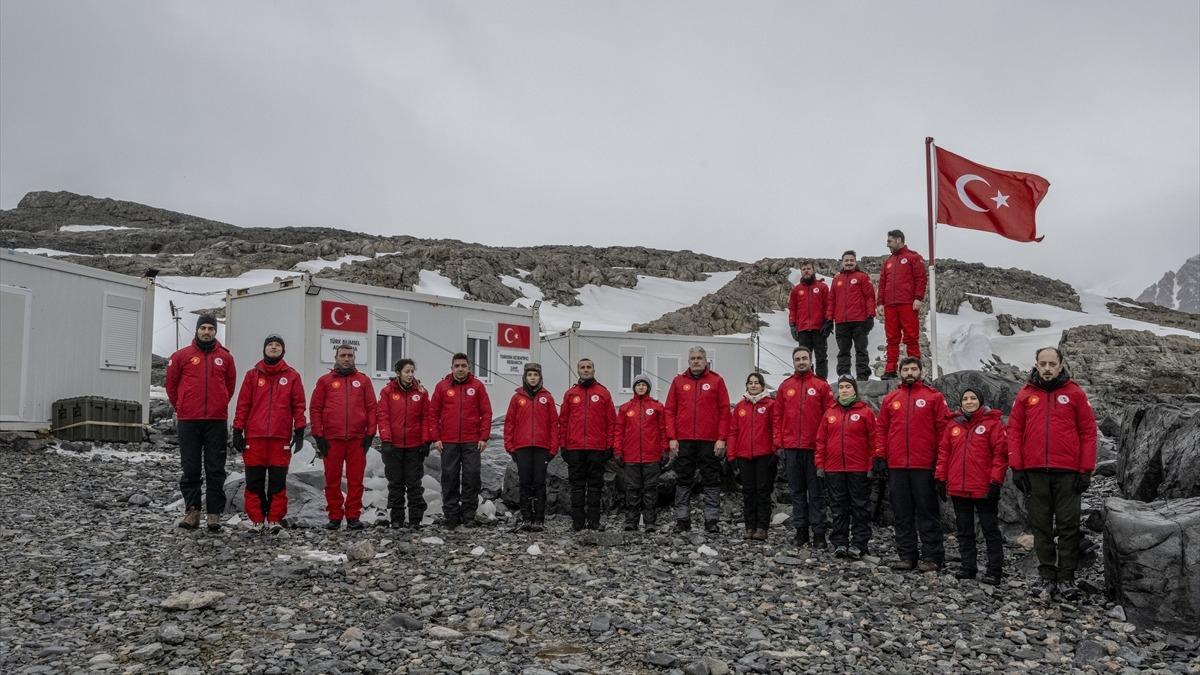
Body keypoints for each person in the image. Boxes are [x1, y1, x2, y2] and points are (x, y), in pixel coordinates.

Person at [1008, 347, 1098, 602]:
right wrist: (1017, 467)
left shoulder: (1075, 394)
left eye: (1052, 364)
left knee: (1069, 525)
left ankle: (1067, 577)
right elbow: (1014, 431)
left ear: (1060, 365)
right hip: (1035, 472)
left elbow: (1088, 432)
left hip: (1068, 472)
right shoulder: (1026, 394)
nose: (1047, 368)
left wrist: (1086, 470)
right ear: (1036, 365)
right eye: (1043, 363)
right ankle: (1047, 575)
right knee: (1041, 525)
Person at [875, 356, 950, 572]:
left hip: (924, 465)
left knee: (927, 512)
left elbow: (943, 431)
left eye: (913, 369)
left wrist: (940, 464)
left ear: (921, 372)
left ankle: (933, 557)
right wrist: (880, 456)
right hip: (897, 466)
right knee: (902, 512)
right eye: (906, 369)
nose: (909, 373)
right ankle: (907, 555)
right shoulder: (891, 399)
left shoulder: (933, 397)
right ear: (900, 372)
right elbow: (882, 429)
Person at [166, 314, 237, 532]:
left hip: (215, 421)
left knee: (216, 468)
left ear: (215, 331)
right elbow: (171, 384)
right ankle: (193, 511)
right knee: (191, 467)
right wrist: (182, 406)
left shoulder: (225, 358)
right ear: (197, 330)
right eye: (203, 328)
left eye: (210, 328)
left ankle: (214, 514)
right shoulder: (181, 356)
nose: (206, 332)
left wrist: (220, 403)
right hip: (189, 420)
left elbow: (230, 385)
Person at [231, 334, 306, 534]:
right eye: (270, 345)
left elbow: (298, 405)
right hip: (255, 438)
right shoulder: (252, 375)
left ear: (283, 350)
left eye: (277, 345)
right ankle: (256, 519)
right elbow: (243, 404)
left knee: (277, 481)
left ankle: (274, 519)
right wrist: (237, 429)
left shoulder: (292, 376)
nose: (273, 348)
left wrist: (300, 429)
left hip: (280, 438)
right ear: (264, 349)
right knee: (254, 480)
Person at [935, 388, 1007, 585]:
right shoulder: (953, 425)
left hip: (984, 487)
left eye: (973, 398)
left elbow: (1000, 456)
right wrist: (940, 479)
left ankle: (994, 570)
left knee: (990, 529)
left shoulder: (992, 424)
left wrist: (995, 482)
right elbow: (944, 454)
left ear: (981, 401)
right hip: (959, 487)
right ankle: (968, 567)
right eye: (965, 398)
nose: (969, 401)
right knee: (964, 530)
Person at [772, 346, 834, 549]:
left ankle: (818, 533)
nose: (801, 362)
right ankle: (800, 532)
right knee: (797, 492)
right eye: (797, 359)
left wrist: (825, 445)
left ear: (810, 360)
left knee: (816, 493)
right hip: (791, 448)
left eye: (804, 358)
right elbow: (777, 417)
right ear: (793, 362)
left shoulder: (821, 386)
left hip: (814, 449)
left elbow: (829, 417)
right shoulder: (785, 386)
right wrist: (779, 443)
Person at [310, 343, 377, 531]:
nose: (346, 358)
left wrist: (370, 433)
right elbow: (315, 409)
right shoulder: (325, 381)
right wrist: (318, 435)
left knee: (356, 480)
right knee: (332, 480)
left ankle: (353, 516)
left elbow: (372, 408)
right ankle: (335, 517)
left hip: (357, 439)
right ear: (336, 357)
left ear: (354, 357)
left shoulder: (363, 381)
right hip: (332, 439)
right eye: (343, 355)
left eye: (350, 355)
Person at [665, 346, 732, 533]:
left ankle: (711, 520)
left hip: (709, 440)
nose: (696, 361)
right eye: (692, 358)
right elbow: (670, 410)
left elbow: (724, 411)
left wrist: (721, 438)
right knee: (683, 478)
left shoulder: (716, 381)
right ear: (688, 361)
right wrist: (672, 437)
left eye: (699, 358)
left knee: (711, 479)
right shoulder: (678, 382)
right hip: (684, 439)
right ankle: (682, 519)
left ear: (705, 360)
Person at [430, 352, 493, 530]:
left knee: (471, 477)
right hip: (448, 442)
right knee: (449, 478)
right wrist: (436, 437)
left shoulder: (478, 386)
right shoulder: (442, 386)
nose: (460, 369)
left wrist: (483, 437)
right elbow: (433, 413)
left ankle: (468, 515)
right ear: (451, 368)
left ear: (469, 367)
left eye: (463, 366)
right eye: (457, 366)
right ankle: (451, 515)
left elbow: (486, 413)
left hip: (471, 441)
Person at [815, 376, 876, 559]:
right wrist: (820, 464)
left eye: (848, 387)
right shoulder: (830, 413)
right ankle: (840, 542)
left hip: (858, 468)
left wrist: (871, 465)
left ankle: (859, 543)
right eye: (841, 387)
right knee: (837, 507)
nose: (844, 390)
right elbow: (821, 441)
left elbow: (874, 440)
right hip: (834, 468)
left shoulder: (865, 412)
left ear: (855, 390)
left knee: (859, 507)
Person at [558, 358, 616, 531]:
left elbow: (611, 422)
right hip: (574, 448)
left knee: (595, 487)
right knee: (576, 486)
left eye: (589, 367)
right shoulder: (570, 394)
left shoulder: (603, 393)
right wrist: (563, 446)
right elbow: (563, 422)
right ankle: (577, 522)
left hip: (597, 448)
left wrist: (609, 445)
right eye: (582, 367)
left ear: (594, 370)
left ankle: (594, 521)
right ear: (578, 370)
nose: (586, 370)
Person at [502, 363, 558, 532]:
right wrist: (510, 446)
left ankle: (539, 519)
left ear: (540, 377)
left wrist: (553, 449)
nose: (532, 378)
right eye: (530, 375)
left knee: (539, 483)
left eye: (535, 375)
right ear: (525, 377)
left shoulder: (547, 398)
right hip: (522, 447)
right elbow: (509, 423)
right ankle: (526, 518)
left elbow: (554, 424)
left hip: (542, 448)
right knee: (525, 483)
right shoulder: (517, 398)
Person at [377, 358, 431, 530]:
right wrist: (386, 440)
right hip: (393, 446)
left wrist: (425, 440)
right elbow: (383, 416)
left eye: (412, 371)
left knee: (414, 483)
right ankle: (397, 518)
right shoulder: (387, 392)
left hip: (415, 446)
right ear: (398, 373)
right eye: (407, 371)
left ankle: (415, 519)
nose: (410, 375)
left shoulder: (421, 393)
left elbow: (425, 418)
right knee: (395, 483)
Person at [613, 373, 668, 531]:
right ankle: (631, 521)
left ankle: (650, 522)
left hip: (652, 457)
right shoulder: (625, 408)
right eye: (638, 384)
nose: (641, 387)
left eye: (644, 384)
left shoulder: (657, 407)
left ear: (648, 388)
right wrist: (618, 451)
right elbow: (619, 431)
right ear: (634, 388)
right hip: (631, 457)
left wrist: (664, 450)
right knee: (632, 490)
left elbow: (663, 430)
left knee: (651, 490)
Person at [727, 372, 777, 541]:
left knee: (763, 491)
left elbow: (775, 428)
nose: (753, 385)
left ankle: (762, 527)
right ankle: (750, 526)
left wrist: (774, 450)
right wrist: (731, 455)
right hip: (744, 455)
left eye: (757, 383)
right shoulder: (741, 407)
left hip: (764, 455)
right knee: (748, 492)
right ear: (746, 386)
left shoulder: (770, 405)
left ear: (763, 386)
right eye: (750, 383)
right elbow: (733, 432)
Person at [876, 230, 927, 379]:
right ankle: (890, 369)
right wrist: (880, 303)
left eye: (890, 241)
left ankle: (915, 369)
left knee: (911, 337)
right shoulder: (888, 262)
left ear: (899, 240)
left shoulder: (913, 257)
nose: (887, 243)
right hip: (890, 305)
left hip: (907, 304)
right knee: (892, 338)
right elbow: (883, 283)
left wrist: (918, 298)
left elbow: (920, 278)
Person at [830, 250, 877, 382]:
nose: (849, 263)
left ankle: (862, 376)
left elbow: (870, 297)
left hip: (859, 321)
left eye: (851, 260)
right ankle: (844, 376)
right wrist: (829, 319)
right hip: (841, 322)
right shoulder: (836, 280)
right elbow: (831, 300)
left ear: (855, 262)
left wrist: (870, 316)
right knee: (843, 351)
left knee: (861, 349)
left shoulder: (862, 277)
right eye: (846, 260)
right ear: (842, 262)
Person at [787, 261, 833, 379]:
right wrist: (792, 325)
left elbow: (828, 305)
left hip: (819, 328)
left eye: (808, 268)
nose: (806, 271)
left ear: (813, 270)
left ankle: (822, 382)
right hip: (803, 329)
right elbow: (792, 309)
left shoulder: (822, 287)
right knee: (804, 357)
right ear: (801, 272)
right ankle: (807, 381)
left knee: (821, 357)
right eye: (804, 269)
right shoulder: (796, 290)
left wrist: (828, 321)